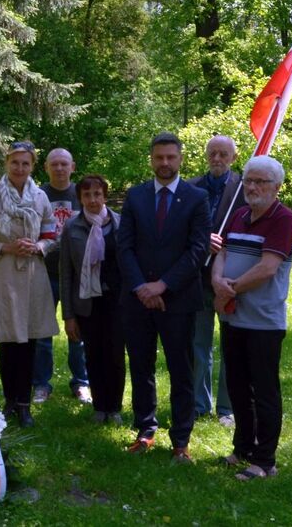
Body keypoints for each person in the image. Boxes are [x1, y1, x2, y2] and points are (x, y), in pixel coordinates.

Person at [118, 132, 211, 461]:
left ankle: (181, 440)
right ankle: (145, 430)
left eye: (171, 157)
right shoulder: (136, 196)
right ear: (151, 159)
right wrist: (143, 287)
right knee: (140, 367)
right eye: (159, 157)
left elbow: (198, 250)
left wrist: (163, 286)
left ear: (181, 158)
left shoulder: (196, 198)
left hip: (179, 300)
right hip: (137, 300)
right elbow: (124, 247)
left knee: (181, 369)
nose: (165, 163)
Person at [212, 155, 292, 481]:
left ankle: (265, 461)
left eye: (260, 181)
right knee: (236, 388)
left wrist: (227, 290)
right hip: (233, 319)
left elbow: (267, 268)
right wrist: (217, 281)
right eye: (249, 180)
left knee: (264, 392)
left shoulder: (283, 219)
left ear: (276, 187)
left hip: (263, 322)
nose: (252, 187)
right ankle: (243, 449)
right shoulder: (239, 215)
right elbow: (222, 253)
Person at [0, 140, 59, 427]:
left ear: (32, 166)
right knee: (8, 342)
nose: (20, 168)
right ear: (6, 163)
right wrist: (6, 247)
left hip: (33, 275)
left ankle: (25, 404)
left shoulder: (40, 197)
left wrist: (38, 248)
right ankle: (10, 401)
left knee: (31, 340)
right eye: (15, 162)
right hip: (3, 276)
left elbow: (52, 235)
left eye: (25, 163)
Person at [188, 135, 245, 427]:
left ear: (233, 158)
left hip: (229, 278)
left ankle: (226, 408)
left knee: (230, 346)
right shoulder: (191, 187)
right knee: (199, 344)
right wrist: (200, 241)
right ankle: (200, 405)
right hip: (197, 279)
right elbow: (181, 230)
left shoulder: (244, 189)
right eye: (212, 153)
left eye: (224, 154)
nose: (217, 159)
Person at [59, 175, 125, 425]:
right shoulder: (72, 227)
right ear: (80, 198)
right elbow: (66, 273)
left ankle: (115, 408)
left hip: (117, 302)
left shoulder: (120, 223)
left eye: (97, 194)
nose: (93, 199)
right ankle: (99, 406)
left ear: (105, 196)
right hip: (86, 302)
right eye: (87, 195)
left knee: (116, 355)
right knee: (94, 355)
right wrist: (68, 315)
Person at [32, 148, 91, 405]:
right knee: (42, 333)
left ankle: (81, 383)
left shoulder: (82, 194)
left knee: (78, 333)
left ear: (73, 166)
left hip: (77, 276)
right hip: (44, 273)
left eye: (63, 164)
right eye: (54, 164)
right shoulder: (37, 195)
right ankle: (41, 385)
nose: (59, 168)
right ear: (46, 168)